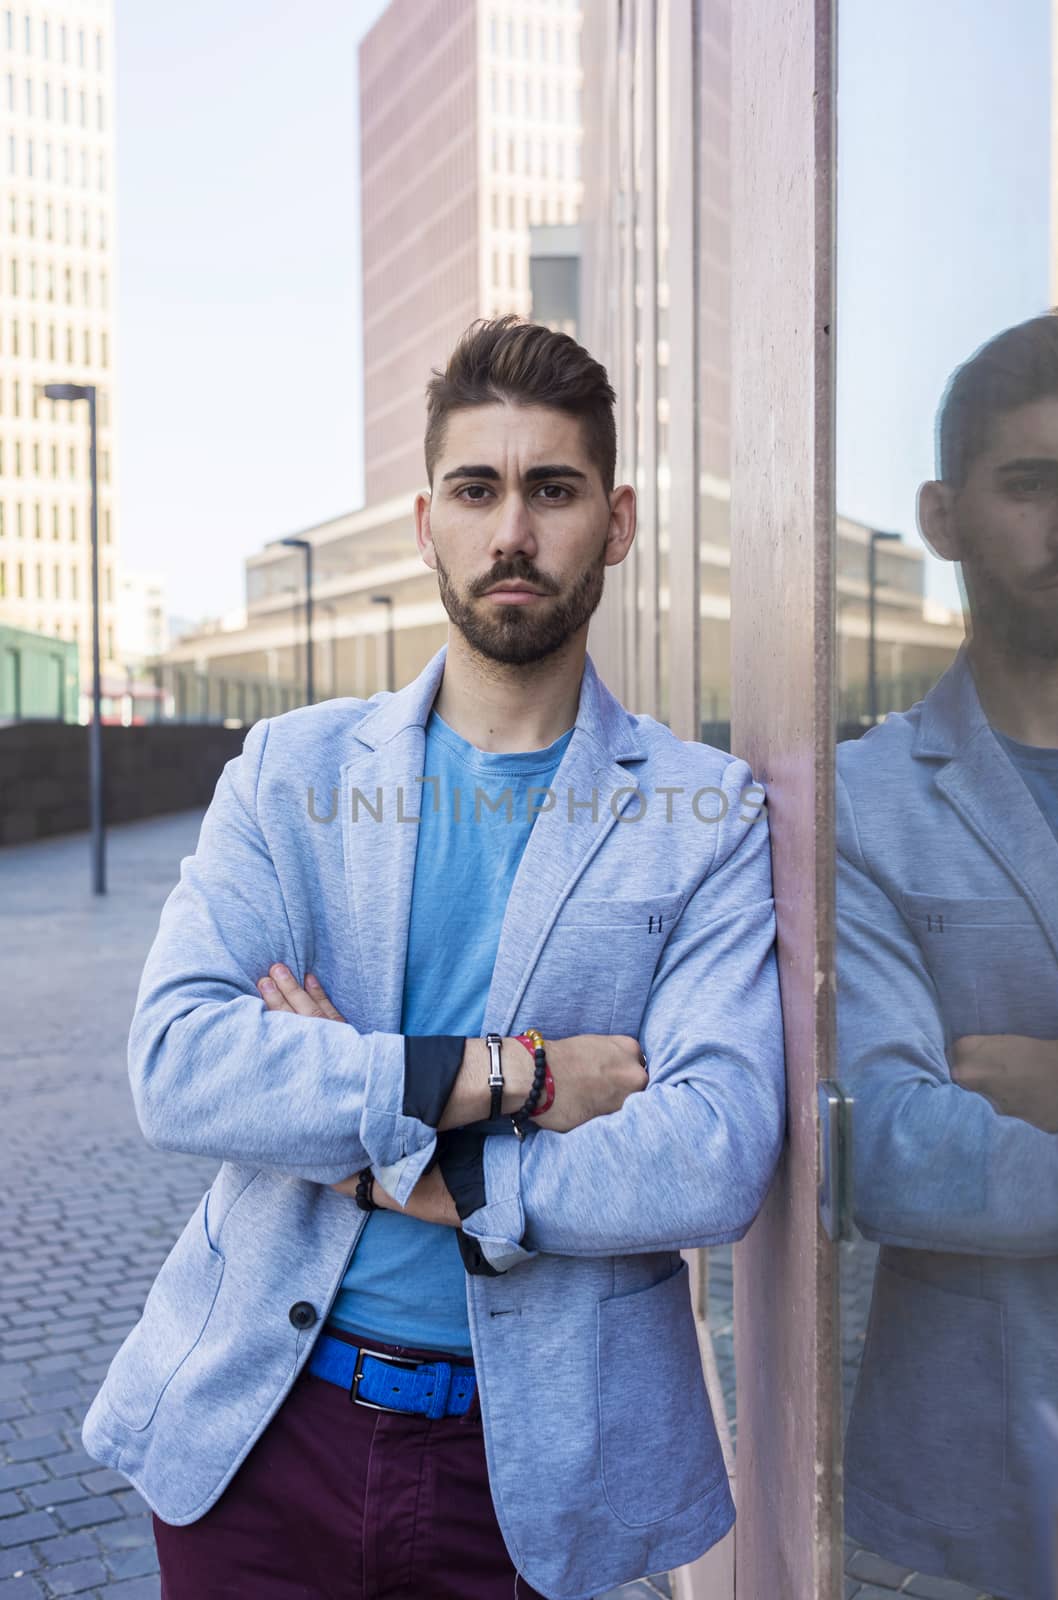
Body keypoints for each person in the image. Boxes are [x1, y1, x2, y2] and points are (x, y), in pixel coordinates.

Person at [81, 315, 785, 1600]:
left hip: (531, 1478)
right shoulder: (291, 773)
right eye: (477, 490)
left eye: (552, 489)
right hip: (261, 1442)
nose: (512, 531)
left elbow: (714, 1151)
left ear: (616, 523)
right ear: (427, 523)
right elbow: (180, 1064)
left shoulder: (706, 810)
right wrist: (516, 1075)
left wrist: (392, 1161)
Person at [836, 309, 1058, 1600]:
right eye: (1032, 485)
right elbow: (896, 1153)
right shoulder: (867, 800)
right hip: (969, 1489)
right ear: (942, 514)